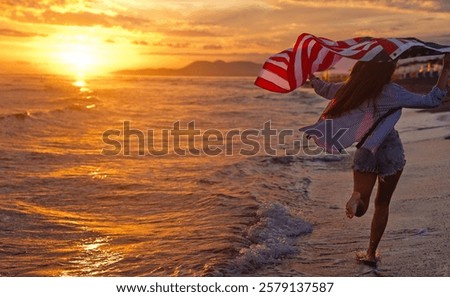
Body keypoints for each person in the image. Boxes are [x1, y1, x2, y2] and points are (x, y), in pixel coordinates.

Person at [305, 53, 450, 265]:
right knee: (382, 203)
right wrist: (445, 69)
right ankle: (371, 253)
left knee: (362, 205)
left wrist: (312, 77)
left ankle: (356, 198)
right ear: (385, 71)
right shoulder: (393, 91)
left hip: (365, 151)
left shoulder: (350, 89)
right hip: (390, 150)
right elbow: (432, 100)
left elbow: (324, 89)